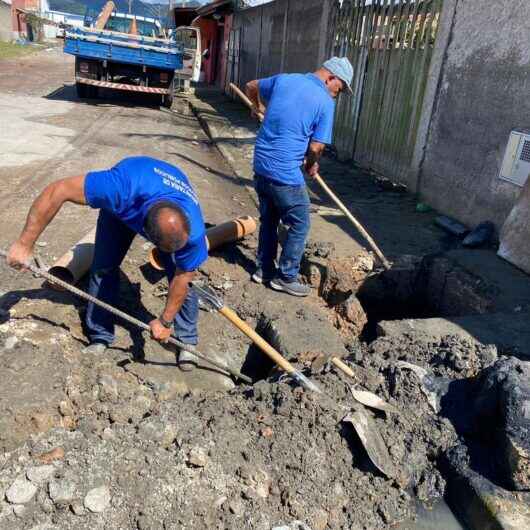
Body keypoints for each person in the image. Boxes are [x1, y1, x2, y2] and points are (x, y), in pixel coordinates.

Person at [7, 156, 208, 371]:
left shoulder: (193, 233)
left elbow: (183, 278)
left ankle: (187, 339)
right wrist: (24, 244)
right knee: (103, 268)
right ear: (146, 233)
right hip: (130, 197)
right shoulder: (119, 188)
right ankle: (100, 335)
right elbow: (58, 190)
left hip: (162, 189)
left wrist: (165, 321)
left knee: (182, 275)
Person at [245, 57, 353, 297]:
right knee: (300, 222)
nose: (339, 94)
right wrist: (312, 165)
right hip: (284, 173)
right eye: (341, 88)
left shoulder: (285, 80)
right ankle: (286, 276)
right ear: (331, 77)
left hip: (261, 165)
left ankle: (264, 269)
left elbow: (251, 85)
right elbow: (316, 148)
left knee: (270, 219)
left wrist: (256, 106)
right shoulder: (325, 102)